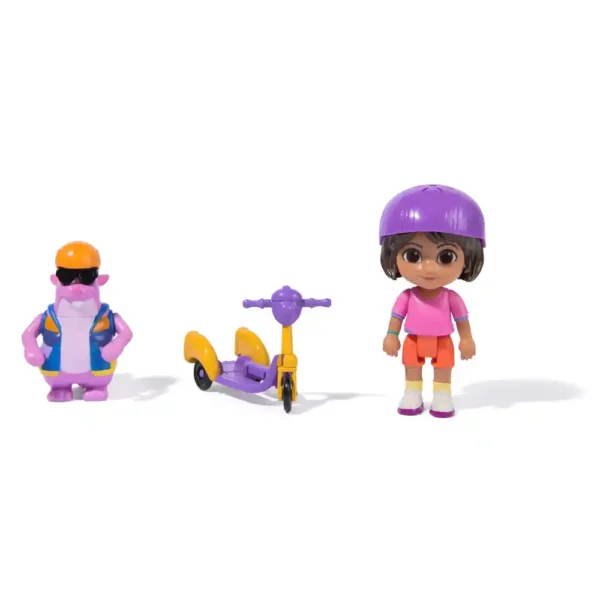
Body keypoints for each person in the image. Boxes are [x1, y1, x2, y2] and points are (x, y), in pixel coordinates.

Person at [379, 185, 486, 417]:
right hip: (413, 340)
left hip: (443, 341)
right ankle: (412, 393)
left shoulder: (451, 298)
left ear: (469, 258)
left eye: (446, 257)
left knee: (443, 368)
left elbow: (462, 320)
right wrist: (391, 336)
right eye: (413, 256)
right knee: (412, 367)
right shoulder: (407, 296)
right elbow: (396, 318)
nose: (429, 268)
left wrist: (466, 339)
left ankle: (442, 395)